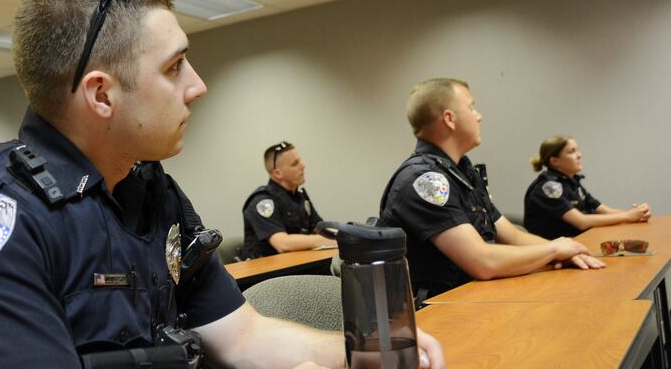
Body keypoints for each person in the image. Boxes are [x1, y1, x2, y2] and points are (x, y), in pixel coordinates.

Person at [0, 0, 444, 368]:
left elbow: (240, 336)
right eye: (175, 66)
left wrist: (368, 356)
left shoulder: (150, 190)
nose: (198, 86)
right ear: (102, 96)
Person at [379, 78, 605, 303]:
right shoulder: (424, 180)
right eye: (471, 107)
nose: (479, 115)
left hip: (476, 299)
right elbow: (482, 261)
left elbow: (513, 236)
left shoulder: (462, 173)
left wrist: (570, 250)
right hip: (440, 314)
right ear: (449, 118)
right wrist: (554, 250)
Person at [523, 136, 651, 239]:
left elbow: (602, 209)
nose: (579, 155)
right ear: (555, 161)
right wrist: (627, 217)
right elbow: (582, 222)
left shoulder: (571, 181)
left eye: (577, 150)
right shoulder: (548, 187)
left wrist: (636, 215)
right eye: (571, 151)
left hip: (579, 242)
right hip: (552, 253)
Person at [241, 141, 336, 259]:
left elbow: (320, 228)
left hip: (297, 265)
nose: (302, 166)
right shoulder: (262, 201)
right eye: (295, 164)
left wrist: (344, 235)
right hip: (269, 273)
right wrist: (326, 240)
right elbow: (282, 243)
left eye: (300, 161)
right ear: (278, 173)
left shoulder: (299, 197)